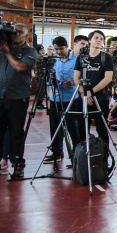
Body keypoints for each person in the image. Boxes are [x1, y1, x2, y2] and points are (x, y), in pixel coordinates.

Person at [0, 22, 38, 180]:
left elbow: (20, 67)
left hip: (17, 97)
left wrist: (6, 52)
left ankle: (18, 165)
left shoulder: (30, 51)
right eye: (15, 32)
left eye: (21, 33)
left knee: (16, 132)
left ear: (26, 35)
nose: (17, 35)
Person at [70, 30, 114, 153]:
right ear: (89, 40)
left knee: (102, 130)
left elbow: (108, 78)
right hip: (83, 99)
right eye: (96, 38)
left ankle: (104, 157)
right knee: (82, 129)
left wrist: (91, 93)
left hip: (101, 99)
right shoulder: (81, 58)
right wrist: (84, 93)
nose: (99, 40)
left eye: (101, 38)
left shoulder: (106, 58)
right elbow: (76, 78)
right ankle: (83, 156)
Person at [42, 36, 77, 167]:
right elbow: (48, 78)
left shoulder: (75, 60)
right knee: (54, 126)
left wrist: (73, 82)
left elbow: (81, 77)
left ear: (67, 46)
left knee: (72, 127)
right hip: (55, 98)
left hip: (71, 98)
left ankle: (75, 154)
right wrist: (51, 81)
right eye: (56, 49)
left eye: (61, 49)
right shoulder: (54, 60)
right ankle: (56, 152)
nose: (59, 52)